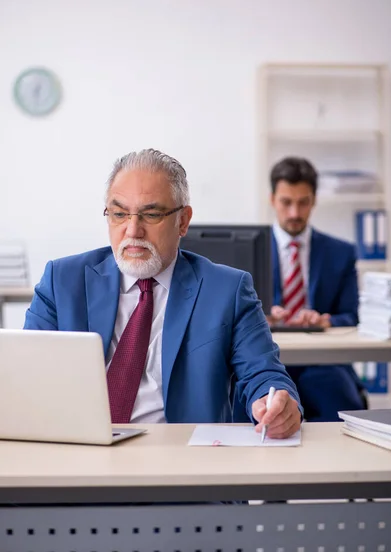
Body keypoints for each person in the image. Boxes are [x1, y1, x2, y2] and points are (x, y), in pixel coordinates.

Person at [25, 148, 301, 438]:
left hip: (182, 458)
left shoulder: (227, 290)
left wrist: (275, 402)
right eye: (119, 214)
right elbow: (27, 373)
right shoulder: (62, 281)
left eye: (151, 215)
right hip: (78, 449)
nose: (133, 230)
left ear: (182, 221)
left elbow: (263, 374)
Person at [268, 156, 366, 421]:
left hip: (325, 362)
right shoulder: (250, 248)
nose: (294, 213)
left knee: (342, 405)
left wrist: (326, 320)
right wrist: (260, 317)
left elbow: (352, 316)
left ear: (314, 201)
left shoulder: (341, 253)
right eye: (286, 202)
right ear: (272, 199)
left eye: (303, 203)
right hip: (268, 361)